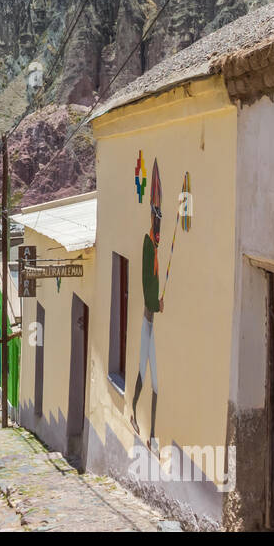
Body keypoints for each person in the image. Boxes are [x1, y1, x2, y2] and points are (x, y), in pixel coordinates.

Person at [132, 159, 162, 450]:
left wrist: (158, 303)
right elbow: (146, 285)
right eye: (157, 214)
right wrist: (156, 303)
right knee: (143, 373)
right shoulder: (147, 246)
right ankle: (132, 413)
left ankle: (152, 434)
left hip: (151, 318)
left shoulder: (154, 247)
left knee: (157, 384)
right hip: (146, 321)